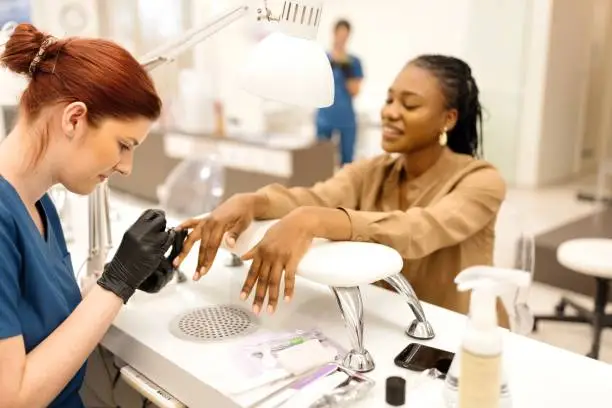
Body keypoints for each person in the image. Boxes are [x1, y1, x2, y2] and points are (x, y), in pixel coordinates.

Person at [175, 54, 508, 325]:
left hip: (462, 334)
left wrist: (314, 220)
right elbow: (314, 197)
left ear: (448, 119)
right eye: (390, 99)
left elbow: (417, 229)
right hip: (388, 322)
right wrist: (252, 201)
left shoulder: (481, 181)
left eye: (409, 105)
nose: (390, 112)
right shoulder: (373, 171)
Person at [0, 24, 175, 408]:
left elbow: (43, 323)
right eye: (124, 145)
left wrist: (128, 277)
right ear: (74, 119)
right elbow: (11, 399)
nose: (126, 167)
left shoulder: (39, 204)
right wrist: (117, 282)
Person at [316, 19, 364, 166]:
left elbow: (355, 91)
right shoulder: (322, 59)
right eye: (340, 34)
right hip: (325, 117)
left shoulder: (354, 62)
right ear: (334, 33)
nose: (342, 38)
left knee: (347, 161)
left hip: (346, 117)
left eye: (345, 35)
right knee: (321, 160)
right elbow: (315, 88)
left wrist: (346, 69)